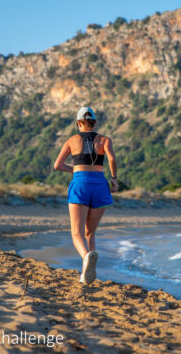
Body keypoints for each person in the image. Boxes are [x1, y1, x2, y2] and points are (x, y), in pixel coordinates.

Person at [54, 106, 119, 284]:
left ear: (78, 123)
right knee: (90, 232)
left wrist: (74, 170)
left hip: (80, 182)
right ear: (95, 122)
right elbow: (112, 159)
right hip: (100, 184)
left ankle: (86, 257)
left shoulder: (72, 140)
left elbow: (57, 165)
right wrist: (114, 179)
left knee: (77, 233)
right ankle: (87, 274)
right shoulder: (105, 139)